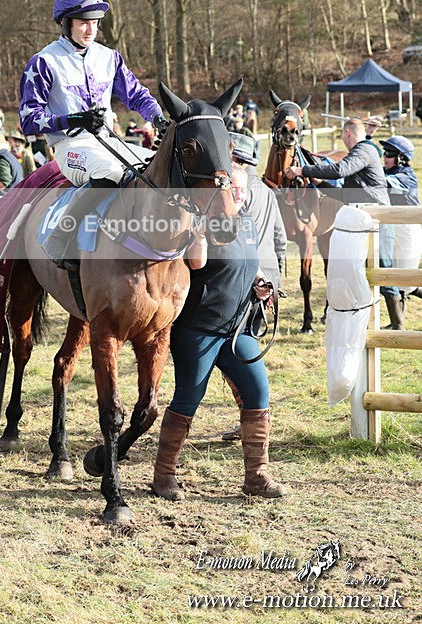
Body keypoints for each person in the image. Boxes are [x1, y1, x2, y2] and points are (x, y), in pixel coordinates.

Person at [151, 163, 287, 501]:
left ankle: (256, 476)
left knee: (257, 393)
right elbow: (196, 264)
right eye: (232, 188)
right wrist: (198, 232)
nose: (237, 194)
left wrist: (260, 284)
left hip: (238, 328)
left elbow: (250, 261)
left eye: (241, 188)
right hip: (199, 329)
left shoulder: (247, 221)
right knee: (188, 399)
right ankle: (163, 475)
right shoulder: (202, 222)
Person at [18, 0, 166, 269]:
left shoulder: (109, 57)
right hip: (70, 146)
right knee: (111, 171)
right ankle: (60, 237)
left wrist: (157, 117)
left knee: (158, 166)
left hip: (110, 142)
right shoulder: (43, 62)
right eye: (83, 22)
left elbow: (136, 94)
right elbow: (29, 120)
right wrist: (75, 120)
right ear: (64, 23)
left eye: (95, 22)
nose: (90, 29)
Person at [221, 133, 287, 442]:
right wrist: (278, 282)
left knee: (236, 356)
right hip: (265, 281)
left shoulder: (225, 194)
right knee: (248, 352)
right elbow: (280, 240)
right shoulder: (268, 193)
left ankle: (251, 417)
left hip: (237, 282)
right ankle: (255, 418)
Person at [285, 117, 389, 206]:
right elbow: (344, 195)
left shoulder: (363, 150)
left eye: (342, 135)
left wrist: (303, 170)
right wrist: (320, 184)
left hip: (376, 214)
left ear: (347, 133)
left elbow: (339, 170)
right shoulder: (364, 151)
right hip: (366, 211)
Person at [379, 135, 421, 325]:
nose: (385, 157)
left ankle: (398, 324)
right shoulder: (389, 170)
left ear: (401, 158)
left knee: (407, 283)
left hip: (408, 230)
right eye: (384, 153)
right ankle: (398, 323)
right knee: (395, 276)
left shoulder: (406, 177)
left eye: (389, 154)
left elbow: (382, 181)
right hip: (393, 228)